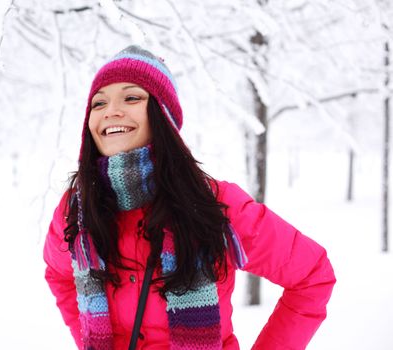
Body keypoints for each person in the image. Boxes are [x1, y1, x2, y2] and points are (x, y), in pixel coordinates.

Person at [43, 45, 336, 350]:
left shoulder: (216, 205)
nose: (110, 111)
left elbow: (312, 275)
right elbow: (59, 274)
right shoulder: (76, 210)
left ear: (163, 116)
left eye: (131, 97)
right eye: (98, 103)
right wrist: (91, 339)